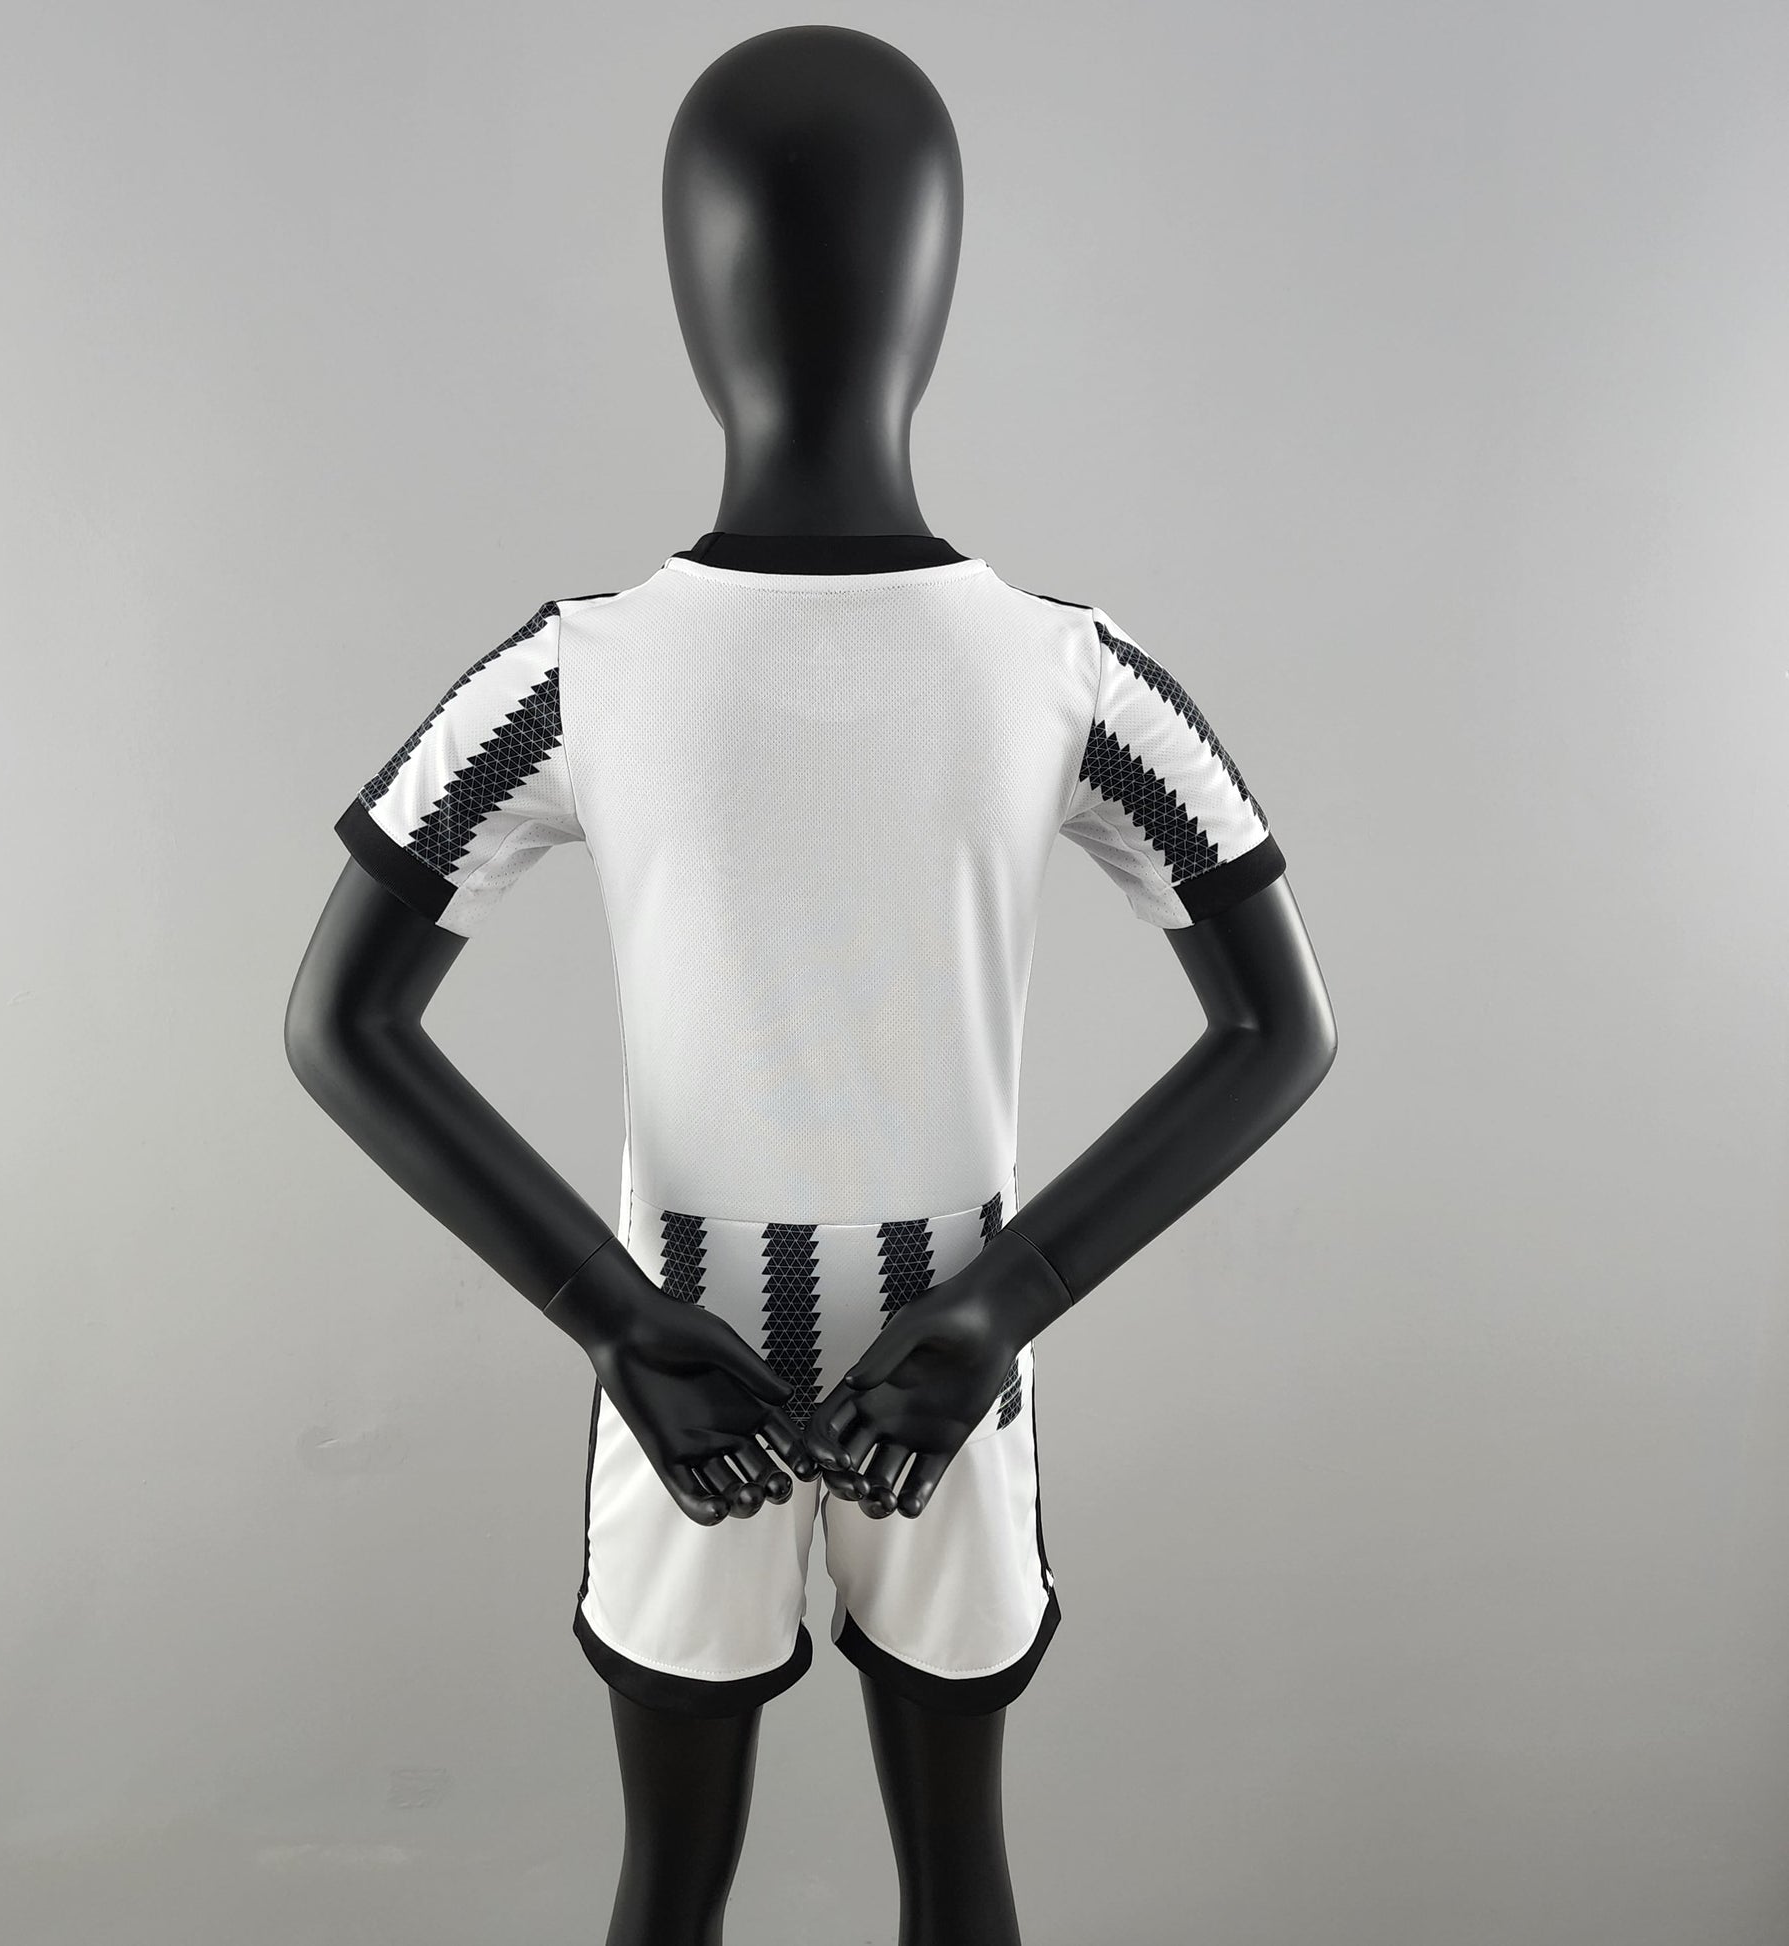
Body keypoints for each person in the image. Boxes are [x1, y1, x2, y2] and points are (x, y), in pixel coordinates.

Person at [284, 26, 1336, 1946]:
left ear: (696, 294)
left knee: (677, 1886)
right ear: (933, 283)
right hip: (943, 1350)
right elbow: (1281, 1028)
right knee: (951, 1876)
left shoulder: (578, 670)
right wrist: (1000, 1301)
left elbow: (335, 1019)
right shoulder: (1069, 673)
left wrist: (616, 1321)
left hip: (689, 1350)